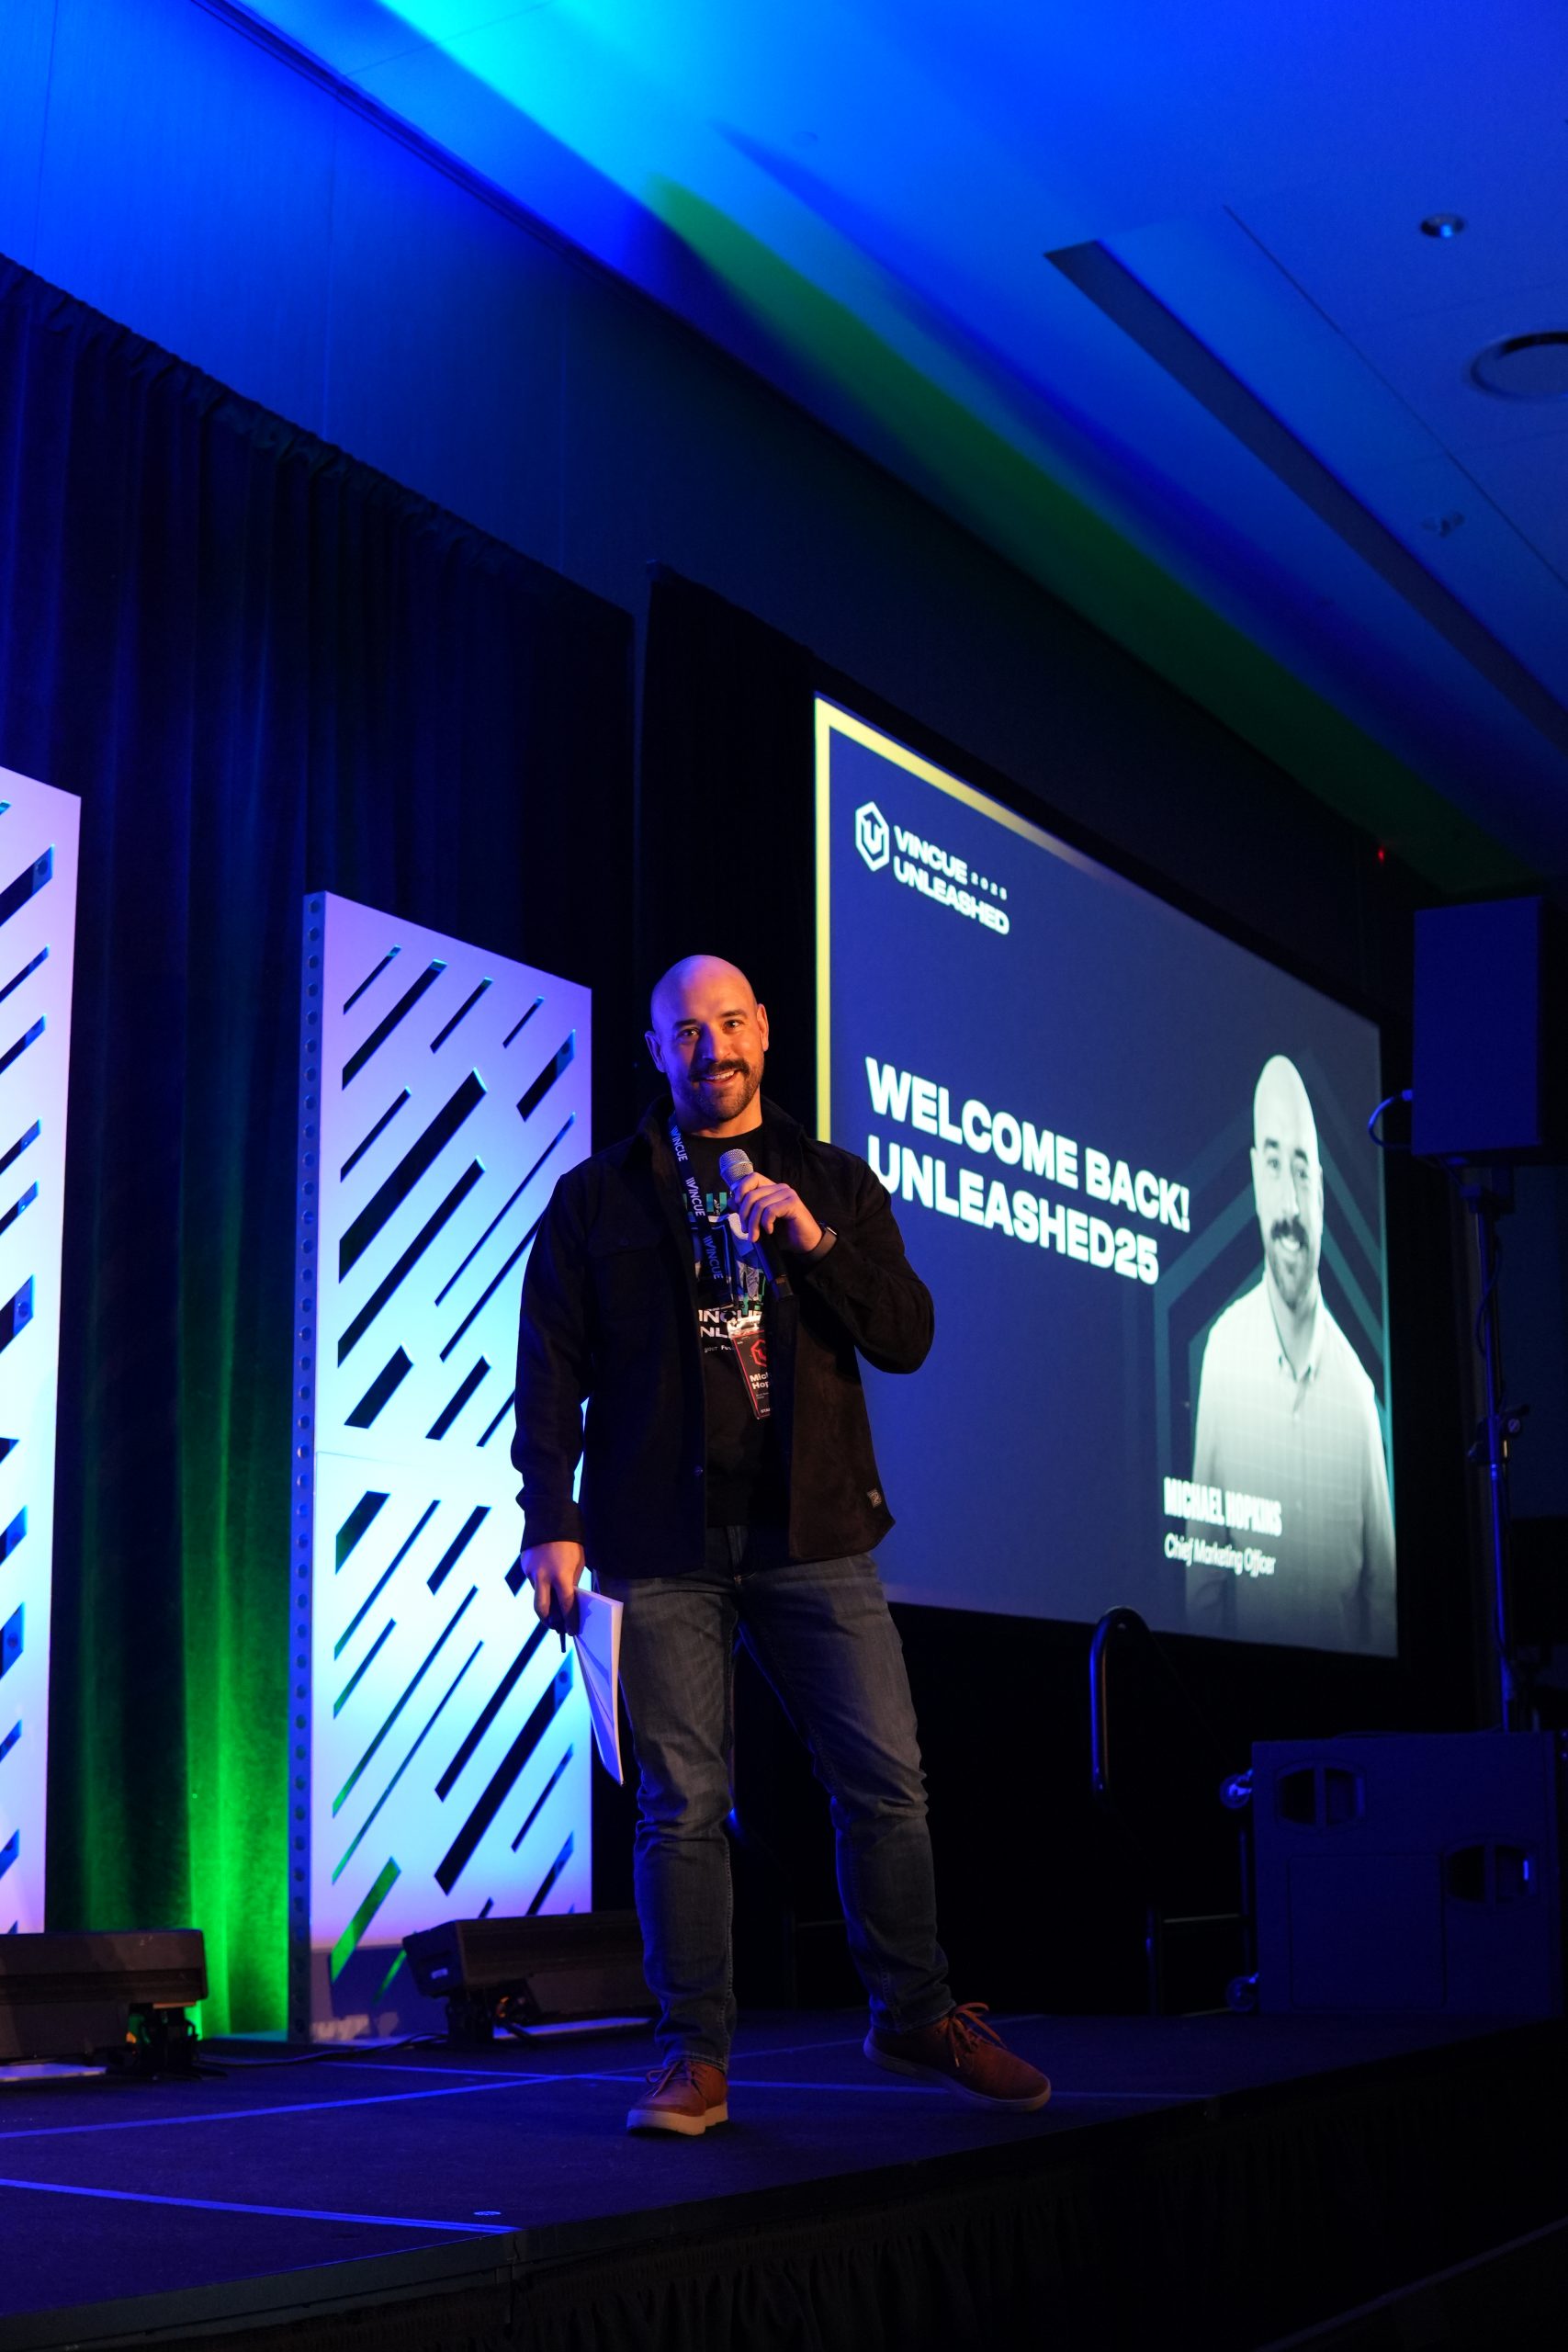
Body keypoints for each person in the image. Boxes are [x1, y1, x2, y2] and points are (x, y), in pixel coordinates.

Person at [513, 954, 1049, 2135]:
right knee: (680, 1805)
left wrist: (815, 1243)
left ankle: (914, 2012)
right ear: (656, 1051)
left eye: (729, 1024)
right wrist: (550, 1516)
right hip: (658, 1537)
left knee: (887, 1782)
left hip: (814, 1530)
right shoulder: (598, 1197)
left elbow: (906, 1332)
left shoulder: (834, 1182)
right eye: (685, 1032)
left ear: (763, 1031)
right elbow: (548, 1364)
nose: (712, 1048)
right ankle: (691, 2057)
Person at [1186, 1054, 1395, 1653]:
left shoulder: (1357, 1392)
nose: (1290, 1204)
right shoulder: (1224, 1356)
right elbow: (1202, 1582)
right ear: (1255, 1177)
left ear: (1322, 1191)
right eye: (1274, 1165)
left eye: (1302, 1170)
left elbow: (1384, 1599)